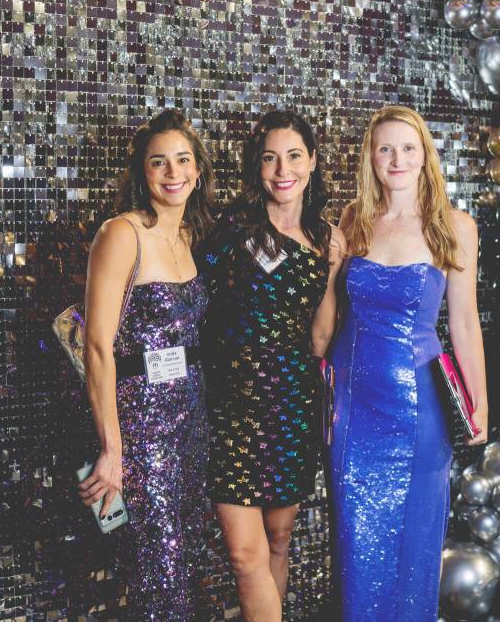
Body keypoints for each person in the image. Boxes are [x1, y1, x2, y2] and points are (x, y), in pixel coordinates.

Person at [328, 105, 489, 620]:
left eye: (408, 148)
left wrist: (479, 401)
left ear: (425, 155)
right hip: (353, 409)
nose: (397, 158)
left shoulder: (455, 226)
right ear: (371, 159)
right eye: (385, 149)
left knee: (414, 545)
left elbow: (464, 323)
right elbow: (332, 317)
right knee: (357, 543)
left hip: (420, 411)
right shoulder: (352, 220)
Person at [201, 110, 345, 622]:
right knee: (245, 555)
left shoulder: (329, 240)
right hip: (232, 405)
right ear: (256, 167)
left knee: (279, 539)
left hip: (291, 404)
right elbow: (196, 303)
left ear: (312, 163)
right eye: (269, 158)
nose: (281, 168)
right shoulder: (231, 229)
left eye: (293, 155)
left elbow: (322, 332)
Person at [78, 109, 216, 620]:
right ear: (143, 173)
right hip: (142, 427)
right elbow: (97, 348)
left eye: (183, 160)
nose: (173, 172)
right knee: (160, 572)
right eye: (159, 163)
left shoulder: (185, 238)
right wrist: (113, 450)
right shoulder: (122, 233)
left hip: (191, 423)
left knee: (185, 563)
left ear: (198, 171)